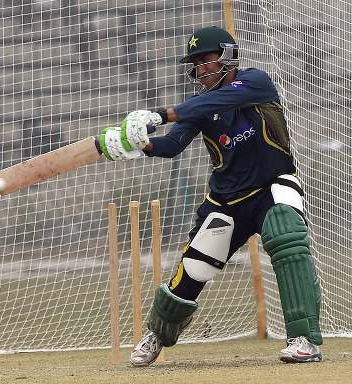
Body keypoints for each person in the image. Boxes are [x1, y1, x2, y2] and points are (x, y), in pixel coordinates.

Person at [97, 26, 323, 366]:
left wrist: (160, 115)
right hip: (227, 202)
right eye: (196, 63)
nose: (202, 69)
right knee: (194, 269)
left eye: (207, 59)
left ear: (229, 57)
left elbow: (217, 100)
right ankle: (156, 334)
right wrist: (139, 145)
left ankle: (303, 338)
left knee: (286, 236)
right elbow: (172, 145)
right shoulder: (199, 107)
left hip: (271, 185)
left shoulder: (255, 83)